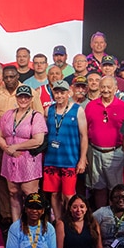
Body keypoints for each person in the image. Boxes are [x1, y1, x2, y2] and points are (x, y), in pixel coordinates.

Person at [0, 85, 46, 221]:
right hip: (9, 159)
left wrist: (16, 147)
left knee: (30, 195)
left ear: (31, 99)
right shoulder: (8, 114)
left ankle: (32, 227)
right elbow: (0, 135)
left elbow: (38, 140)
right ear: (16, 98)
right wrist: (6, 148)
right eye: (20, 96)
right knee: (13, 193)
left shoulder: (36, 117)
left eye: (26, 97)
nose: (23, 99)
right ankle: (15, 226)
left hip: (28, 160)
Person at [42, 81, 87, 220]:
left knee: (69, 194)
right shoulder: (48, 110)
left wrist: (82, 159)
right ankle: (59, 221)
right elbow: (44, 133)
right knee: (54, 193)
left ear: (69, 93)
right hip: (52, 159)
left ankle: (72, 220)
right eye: (57, 92)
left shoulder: (77, 110)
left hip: (70, 159)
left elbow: (84, 135)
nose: (59, 95)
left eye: (62, 92)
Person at [84, 76, 124, 209]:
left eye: (108, 87)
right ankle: (100, 217)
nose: (105, 90)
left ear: (115, 89)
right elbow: (84, 130)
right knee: (98, 188)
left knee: (116, 191)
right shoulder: (91, 106)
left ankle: (115, 218)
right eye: (103, 87)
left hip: (116, 153)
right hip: (94, 152)